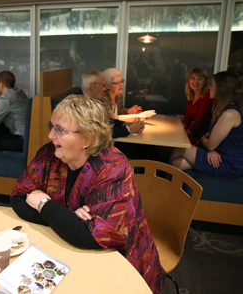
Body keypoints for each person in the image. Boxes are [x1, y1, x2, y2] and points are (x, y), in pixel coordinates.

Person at [11, 95, 165, 293]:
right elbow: (18, 197)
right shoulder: (50, 154)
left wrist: (43, 204)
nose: (50, 135)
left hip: (123, 265)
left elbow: (93, 237)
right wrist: (68, 217)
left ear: (88, 137)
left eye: (60, 130)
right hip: (67, 249)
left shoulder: (112, 167)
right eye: (52, 126)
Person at [170, 71, 243, 177]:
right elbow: (210, 137)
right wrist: (209, 146)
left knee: (179, 148)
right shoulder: (224, 109)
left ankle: (164, 187)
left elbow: (210, 144)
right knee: (176, 163)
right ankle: (168, 188)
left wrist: (205, 142)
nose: (209, 88)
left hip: (229, 163)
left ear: (221, 88)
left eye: (212, 84)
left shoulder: (230, 114)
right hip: (219, 156)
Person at [101, 68, 144, 137]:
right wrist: (135, 117)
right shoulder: (103, 98)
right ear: (107, 85)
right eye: (116, 83)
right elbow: (112, 118)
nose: (121, 85)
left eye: (121, 82)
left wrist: (127, 111)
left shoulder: (118, 96)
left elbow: (120, 109)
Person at [181, 67, 214, 145]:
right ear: (188, 80)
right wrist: (178, 130)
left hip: (201, 137)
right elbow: (187, 119)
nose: (196, 82)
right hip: (192, 133)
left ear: (205, 81)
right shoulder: (192, 95)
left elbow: (199, 122)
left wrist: (183, 134)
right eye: (193, 78)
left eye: (200, 79)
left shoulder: (207, 96)